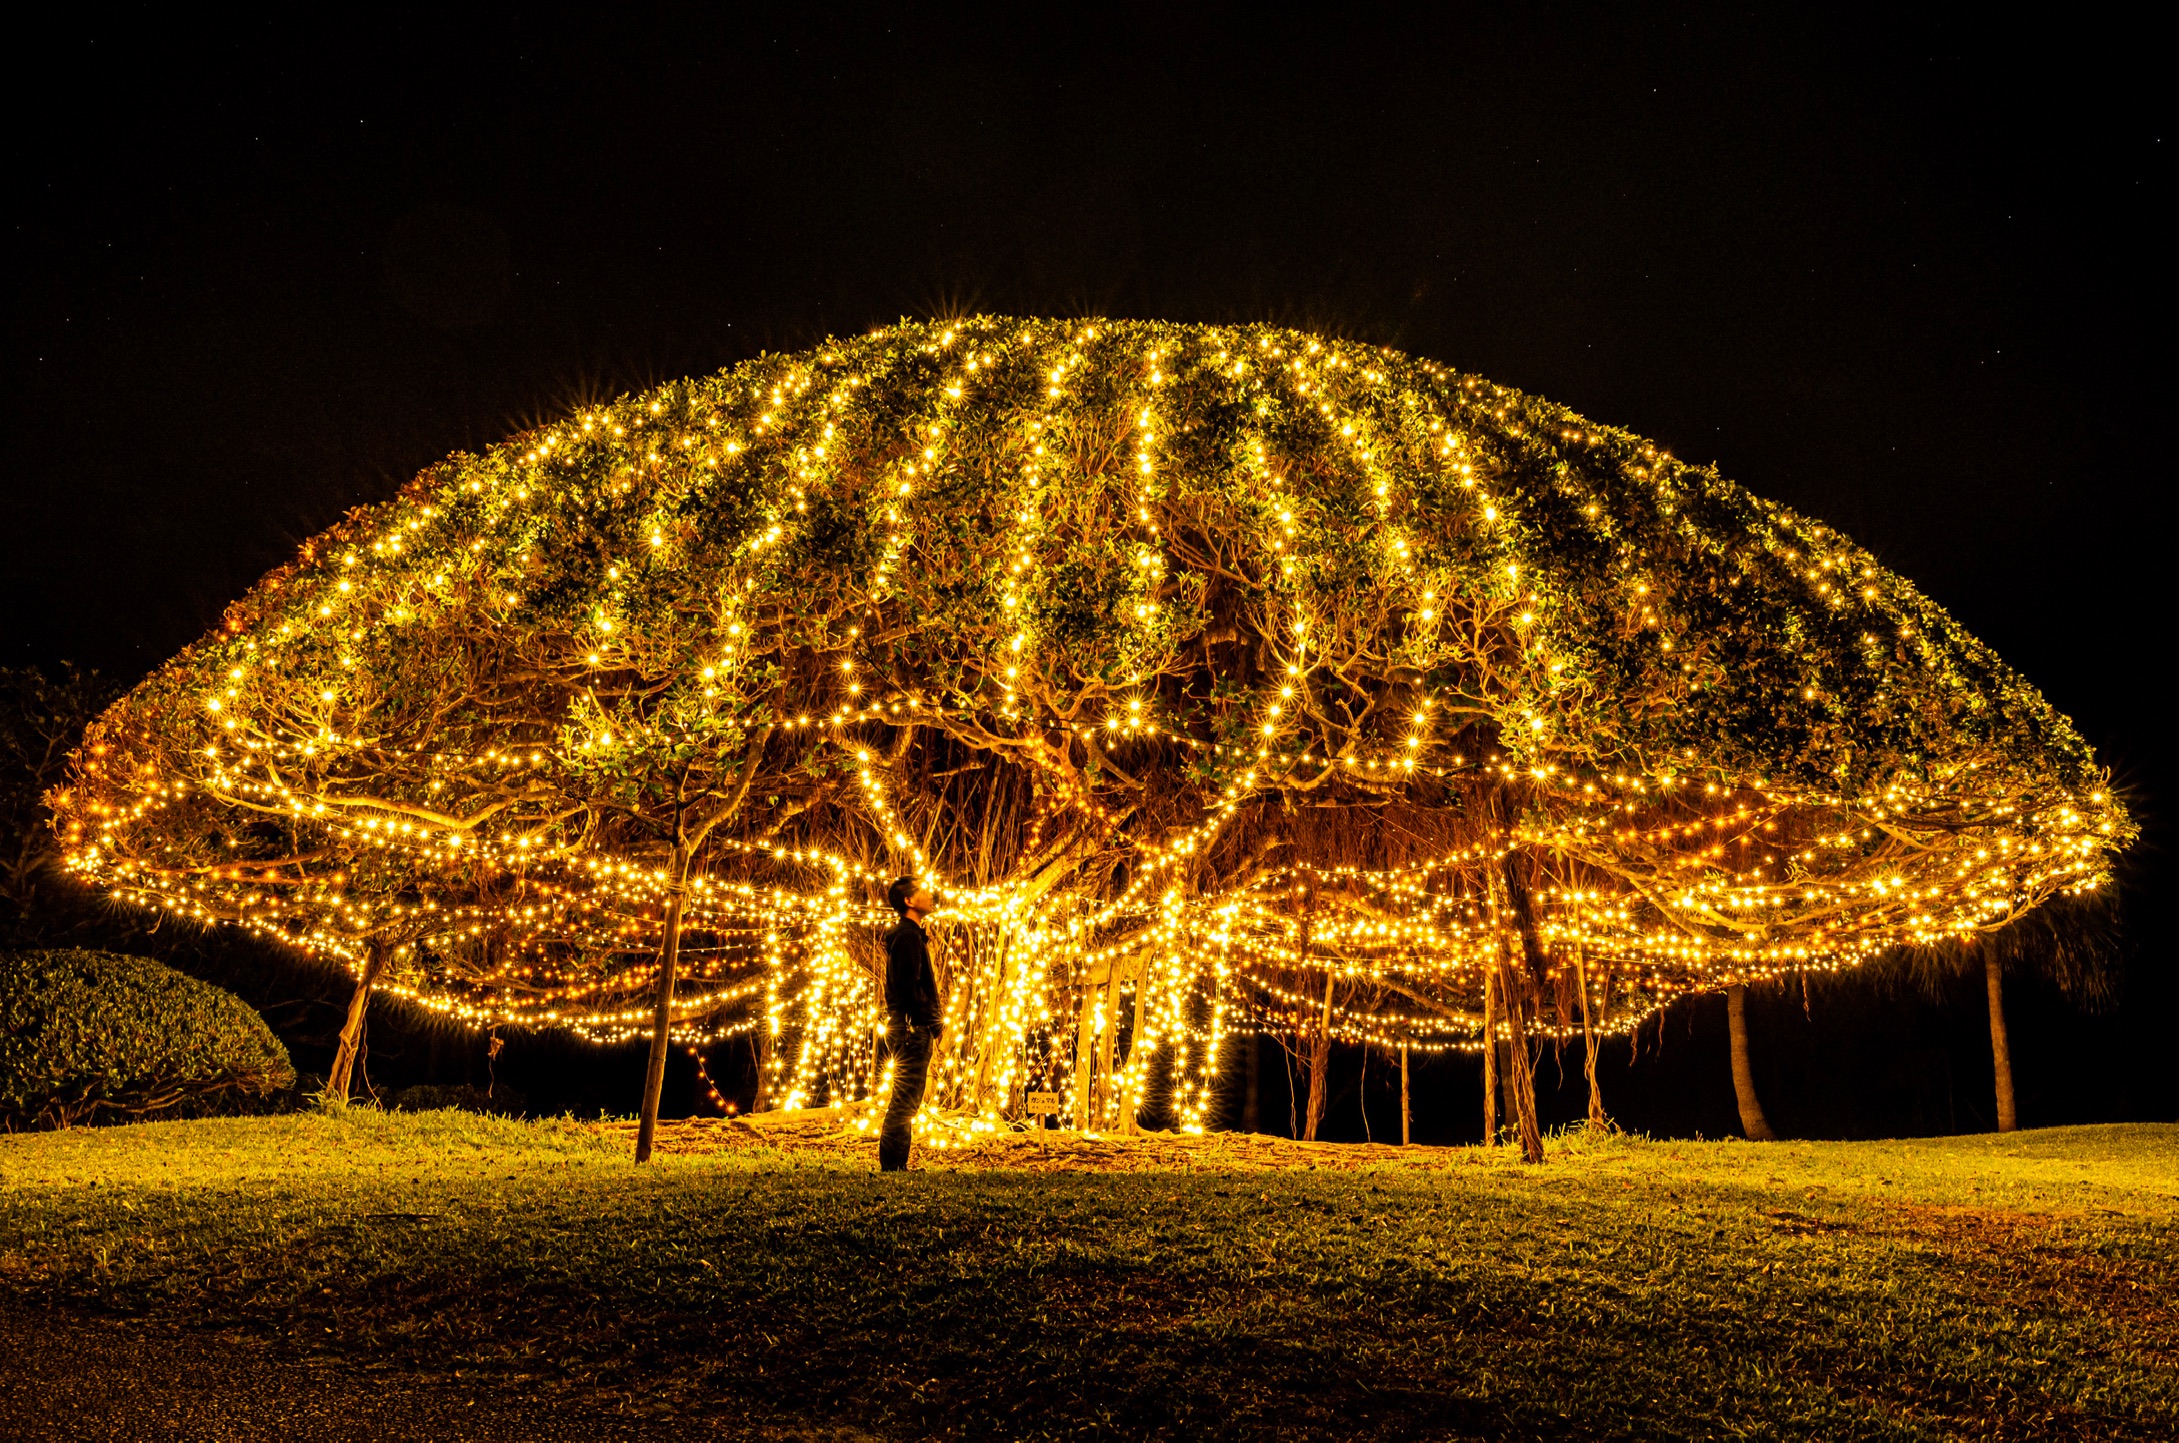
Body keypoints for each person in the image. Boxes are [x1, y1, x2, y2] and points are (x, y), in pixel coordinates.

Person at [878, 875, 943, 1171]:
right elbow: (908, 986)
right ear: (908, 901)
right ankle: (893, 1167)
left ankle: (896, 1165)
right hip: (910, 1029)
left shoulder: (911, 935)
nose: (930, 895)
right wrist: (930, 1020)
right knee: (905, 1101)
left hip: (908, 1027)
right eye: (922, 891)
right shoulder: (907, 936)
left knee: (906, 1100)